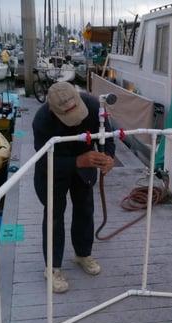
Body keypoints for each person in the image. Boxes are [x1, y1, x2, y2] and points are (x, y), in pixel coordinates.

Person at [32, 82, 115, 293]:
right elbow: (43, 161)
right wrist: (78, 161)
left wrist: (109, 158)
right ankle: (52, 268)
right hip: (53, 171)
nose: (76, 118)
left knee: (85, 210)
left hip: (84, 168)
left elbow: (108, 135)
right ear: (53, 109)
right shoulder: (41, 121)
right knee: (54, 216)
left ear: (79, 99)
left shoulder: (94, 106)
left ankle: (82, 254)